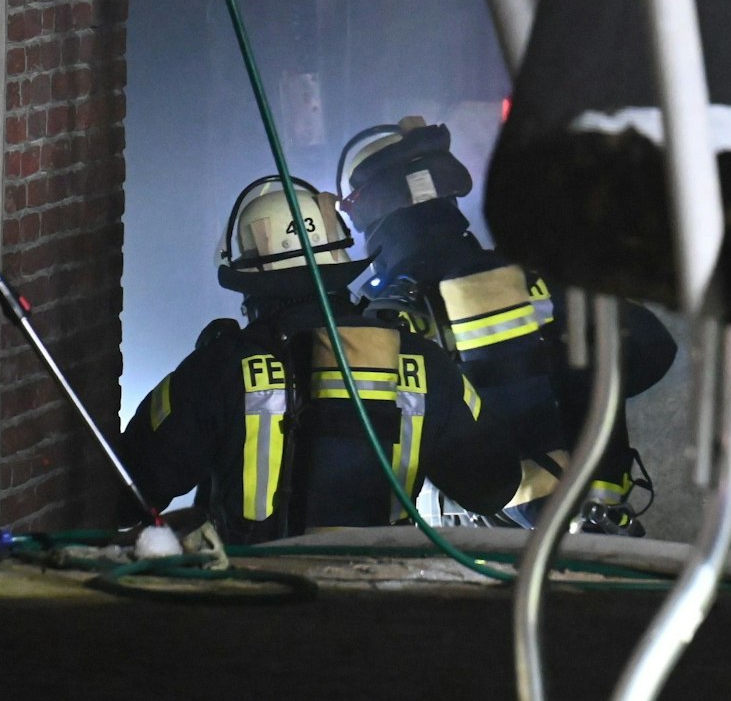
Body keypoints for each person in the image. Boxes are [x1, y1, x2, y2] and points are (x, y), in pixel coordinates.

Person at [116, 175, 521, 543]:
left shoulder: (221, 368)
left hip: (256, 603)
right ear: (341, 263)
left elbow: (128, 491)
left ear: (250, 282)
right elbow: (494, 487)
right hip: (380, 600)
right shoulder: (422, 363)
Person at [335, 117, 677, 535]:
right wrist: (562, 373)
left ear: (369, 210)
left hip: (467, 548)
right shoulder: (533, 278)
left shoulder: (381, 318)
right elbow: (652, 346)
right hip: (595, 523)